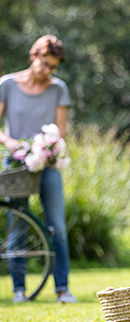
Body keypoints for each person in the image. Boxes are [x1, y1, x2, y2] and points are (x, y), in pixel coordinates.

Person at [0, 35, 76, 303]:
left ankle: (62, 289)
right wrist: (10, 141)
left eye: (53, 67)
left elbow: (61, 130)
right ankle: (19, 290)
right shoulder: (7, 84)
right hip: (15, 163)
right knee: (18, 225)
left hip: (47, 163)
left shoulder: (58, 89)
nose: (48, 71)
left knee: (57, 226)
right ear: (33, 57)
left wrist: (47, 148)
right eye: (45, 64)